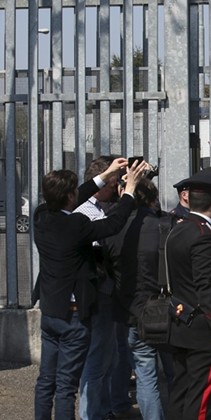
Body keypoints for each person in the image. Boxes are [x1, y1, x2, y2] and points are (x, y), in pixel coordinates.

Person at [33, 158, 146, 420]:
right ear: (70, 196)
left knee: (45, 380)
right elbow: (113, 224)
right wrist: (128, 191)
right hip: (73, 317)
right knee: (65, 386)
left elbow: (72, 197)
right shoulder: (76, 225)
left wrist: (105, 175)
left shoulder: (41, 216)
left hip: (50, 312)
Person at [166, 167, 211, 419]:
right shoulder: (202, 235)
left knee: (181, 392)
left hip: (181, 321)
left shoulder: (179, 228)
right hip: (201, 328)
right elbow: (205, 287)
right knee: (200, 399)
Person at [75, 156, 139, 420]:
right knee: (96, 361)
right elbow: (108, 235)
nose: (116, 189)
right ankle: (93, 414)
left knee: (107, 358)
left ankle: (102, 410)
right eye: (113, 184)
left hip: (106, 293)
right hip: (95, 294)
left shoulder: (100, 206)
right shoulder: (83, 212)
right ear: (101, 184)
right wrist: (130, 195)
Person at [102, 178, 165, 420]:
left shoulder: (111, 229)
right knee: (153, 373)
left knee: (125, 359)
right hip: (157, 308)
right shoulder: (161, 227)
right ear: (151, 199)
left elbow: (107, 267)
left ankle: (118, 404)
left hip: (124, 308)